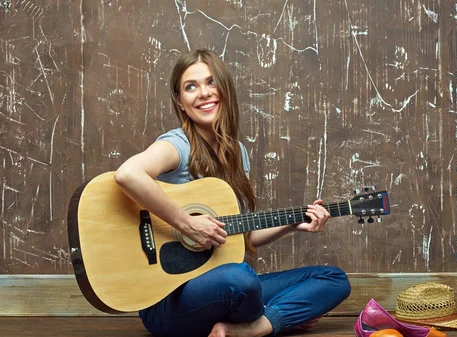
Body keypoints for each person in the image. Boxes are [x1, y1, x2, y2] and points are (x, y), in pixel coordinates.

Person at [114, 49, 351, 337]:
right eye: (191, 86)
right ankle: (277, 315)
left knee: (333, 280)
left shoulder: (237, 153)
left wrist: (294, 223)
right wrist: (186, 223)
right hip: (167, 302)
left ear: (225, 89)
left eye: (211, 82)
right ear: (180, 101)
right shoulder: (177, 145)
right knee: (243, 280)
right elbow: (128, 174)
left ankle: (249, 329)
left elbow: (242, 234)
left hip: (222, 289)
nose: (203, 93)